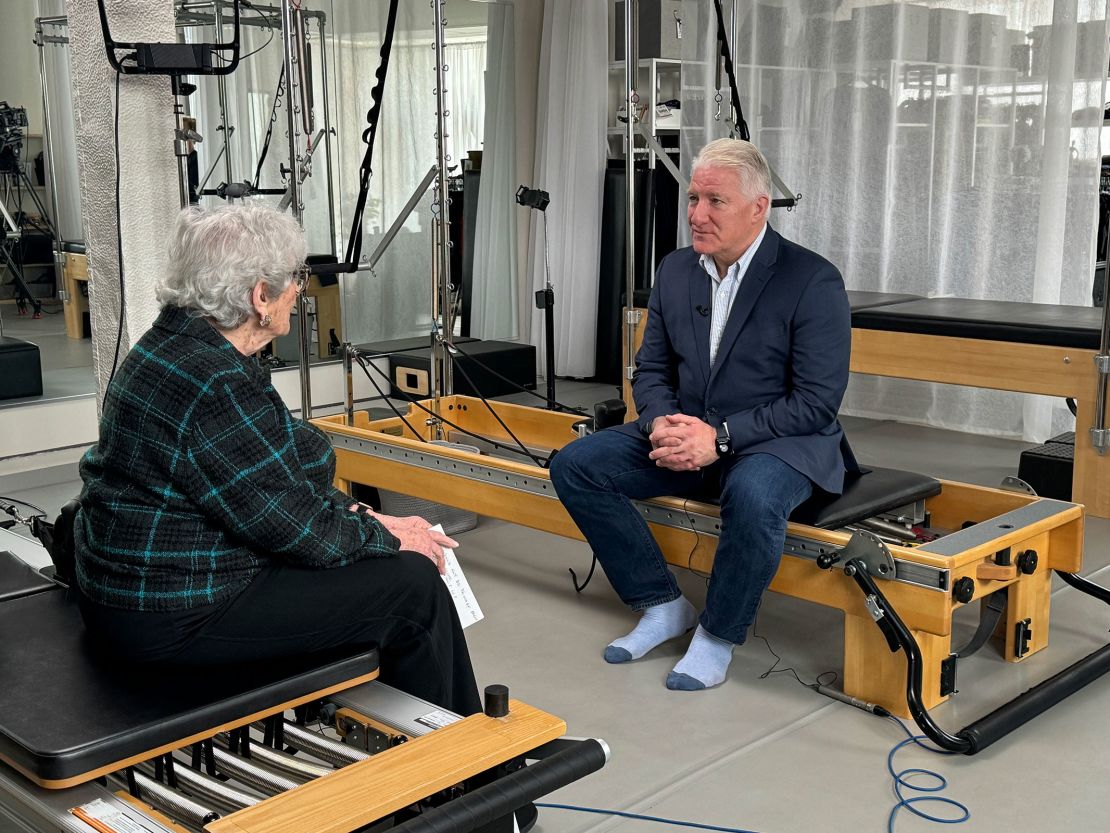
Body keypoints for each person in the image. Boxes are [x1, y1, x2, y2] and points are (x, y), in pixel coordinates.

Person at [74, 202, 481, 716]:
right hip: (169, 613)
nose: (300, 290)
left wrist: (371, 517)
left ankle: (433, 734)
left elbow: (278, 478)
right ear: (260, 296)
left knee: (381, 559)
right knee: (414, 588)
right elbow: (299, 529)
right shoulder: (216, 382)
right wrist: (394, 537)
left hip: (133, 593)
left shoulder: (176, 344)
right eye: (296, 278)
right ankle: (464, 757)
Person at [550, 138, 854, 691]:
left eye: (715, 201)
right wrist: (662, 423)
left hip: (779, 440)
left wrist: (720, 438)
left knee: (754, 496)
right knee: (576, 465)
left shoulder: (812, 280)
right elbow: (651, 369)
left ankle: (716, 636)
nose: (696, 214)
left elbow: (815, 402)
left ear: (758, 207)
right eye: (693, 198)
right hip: (690, 430)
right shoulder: (676, 270)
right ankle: (662, 605)